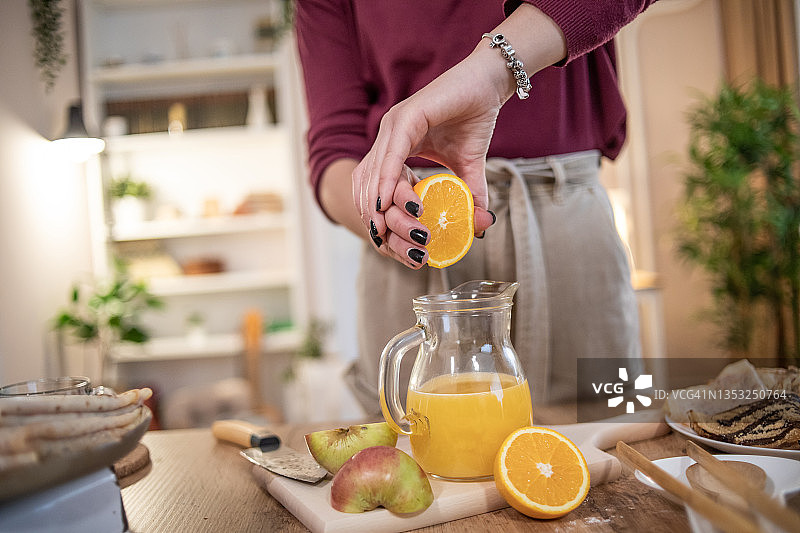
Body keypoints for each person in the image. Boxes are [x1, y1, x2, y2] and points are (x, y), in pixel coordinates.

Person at [294, 0, 657, 413]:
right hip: (415, 258)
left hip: (567, 238)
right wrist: (387, 217)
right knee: (418, 457)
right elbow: (334, 151)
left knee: (602, 449)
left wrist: (492, 71)